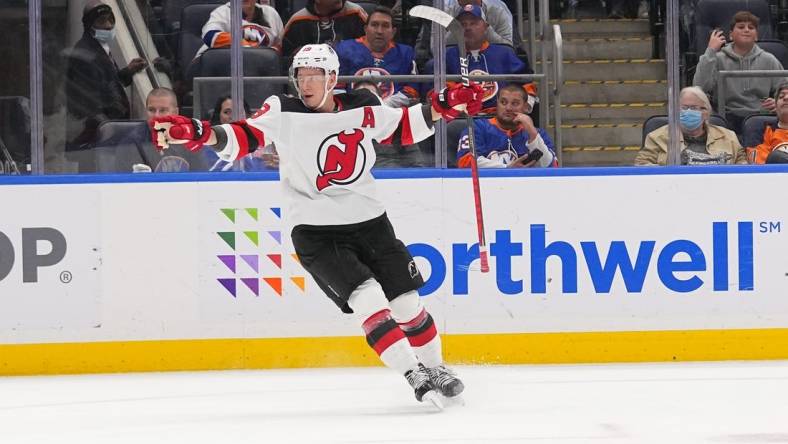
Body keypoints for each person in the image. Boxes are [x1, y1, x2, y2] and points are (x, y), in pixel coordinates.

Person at [150, 44, 482, 407]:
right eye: (300, 75)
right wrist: (198, 131)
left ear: (333, 79)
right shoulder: (283, 111)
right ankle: (412, 372)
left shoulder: (362, 106)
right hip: (315, 231)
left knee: (406, 302)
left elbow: (403, 128)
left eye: (314, 76)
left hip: (371, 222)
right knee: (367, 299)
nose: (305, 83)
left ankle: (437, 367)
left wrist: (446, 104)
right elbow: (242, 137)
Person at [65, 0, 147, 159]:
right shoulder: (84, 54)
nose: (109, 25)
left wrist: (127, 72)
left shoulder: (100, 47)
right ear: (90, 25)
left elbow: (105, 81)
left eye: (111, 19)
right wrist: (109, 125)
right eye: (101, 21)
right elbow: (86, 101)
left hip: (109, 132)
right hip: (97, 136)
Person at [693, 11, 785, 135]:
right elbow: (699, 87)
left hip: (759, 117)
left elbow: (785, 89)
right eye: (741, 27)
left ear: (756, 36)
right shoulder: (717, 58)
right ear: (731, 35)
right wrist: (710, 51)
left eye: (751, 27)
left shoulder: (769, 59)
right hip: (726, 117)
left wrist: (777, 102)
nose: (746, 30)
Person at [441, 4, 535, 114]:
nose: (468, 28)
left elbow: (526, 83)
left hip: (499, 119)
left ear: (486, 26)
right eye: (463, 24)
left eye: (474, 23)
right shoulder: (448, 56)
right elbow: (441, 92)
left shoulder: (504, 53)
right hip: (462, 118)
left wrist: (526, 106)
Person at [635, 86, 746, 166]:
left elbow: (743, 165)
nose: (687, 112)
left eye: (693, 108)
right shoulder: (657, 137)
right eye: (684, 108)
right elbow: (641, 164)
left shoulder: (728, 137)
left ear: (706, 112)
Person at [335, 6, 419, 108]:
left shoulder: (405, 53)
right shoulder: (345, 49)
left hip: (392, 115)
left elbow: (412, 91)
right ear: (366, 29)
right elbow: (335, 87)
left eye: (385, 26)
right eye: (374, 25)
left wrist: (385, 105)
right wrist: (350, 106)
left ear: (393, 32)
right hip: (352, 113)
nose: (379, 31)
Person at [457, 83, 556, 168]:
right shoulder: (477, 127)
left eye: (515, 103)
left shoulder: (538, 134)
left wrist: (532, 134)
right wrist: (506, 168)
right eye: (503, 102)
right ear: (497, 103)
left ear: (526, 107)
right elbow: (465, 162)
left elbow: (552, 166)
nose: (508, 108)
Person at [196, 0, 284, 59]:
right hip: (219, 66)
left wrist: (267, 54)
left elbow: (281, 46)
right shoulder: (223, 12)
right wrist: (244, 44)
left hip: (257, 68)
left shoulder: (271, 13)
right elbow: (210, 36)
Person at [280, 0, 368, 57]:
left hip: (349, 74)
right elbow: (285, 59)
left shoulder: (356, 13)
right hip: (311, 76)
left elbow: (370, 47)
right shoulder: (297, 21)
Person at [746, 82, 788, 164]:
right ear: (775, 106)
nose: (786, 98)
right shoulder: (762, 129)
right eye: (781, 96)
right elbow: (757, 161)